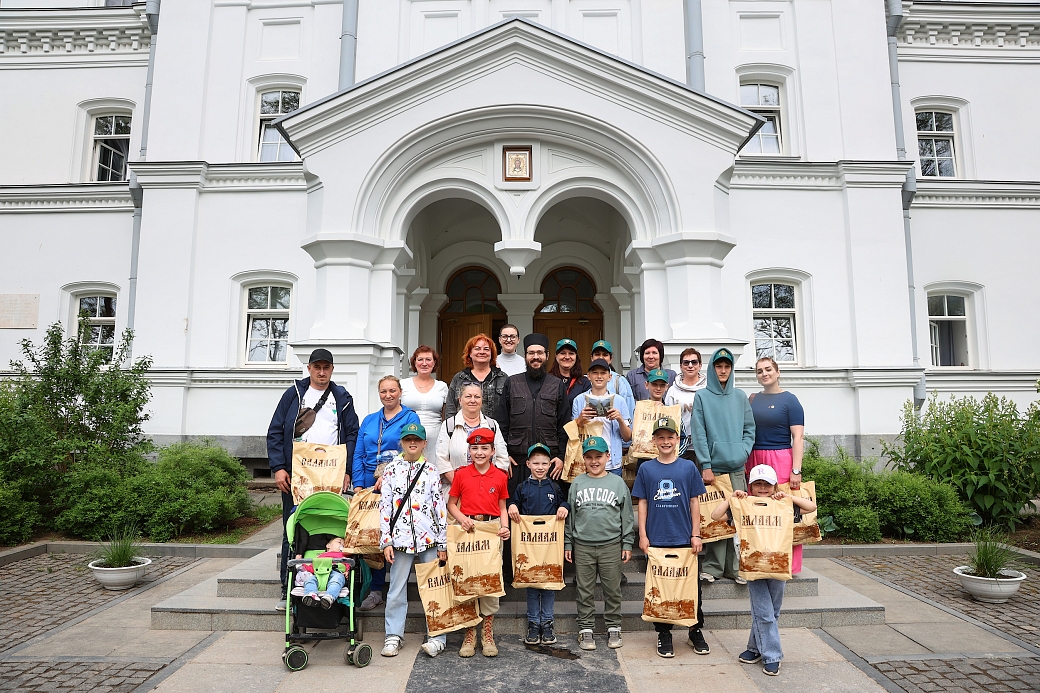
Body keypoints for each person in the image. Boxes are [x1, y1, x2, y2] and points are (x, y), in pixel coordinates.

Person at [267, 348, 359, 611]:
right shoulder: (294, 394)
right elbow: (275, 430)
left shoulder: (342, 398)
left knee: (330, 525)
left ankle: (332, 586)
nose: (321, 372)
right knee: (293, 527)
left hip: (331, 472)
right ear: (308, 369)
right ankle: (288, 589)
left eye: (326, 367)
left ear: (332, 369)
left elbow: (352, 434)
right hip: (298, 473)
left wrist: (347, 470)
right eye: (317, 367)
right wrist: (278, 467)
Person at [711, 464, 816, 676]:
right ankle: (772, 655)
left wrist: (787, 496)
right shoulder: (744, 506)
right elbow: (715, 515)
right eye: (757, 484)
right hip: (754, 566)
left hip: (778, 565)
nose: (762, 488)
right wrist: (732, 499)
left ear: (775, 486)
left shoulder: (783, 505)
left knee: (770, 612)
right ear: (750, 487)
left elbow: (811, 507)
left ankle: (754, 648)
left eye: (767, 484)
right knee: (765, 613)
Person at [631, 416, 709, 658]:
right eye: (661, 437)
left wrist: (696, 534)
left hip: (684, 538)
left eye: (670, 437)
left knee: (692, 588)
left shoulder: (688, 467)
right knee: (660, 588)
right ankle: (664, 633)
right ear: (654, 440)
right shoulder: (646, 469)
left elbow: (694, 502)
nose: (665, 441)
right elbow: (642, 503)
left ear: (678, 439)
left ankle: (694, 629)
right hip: (657, 539)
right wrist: (643, 535)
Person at [378, 423, 449, 659]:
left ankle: (437, 636)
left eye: (417, 440)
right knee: (396, 589)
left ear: (424, 443)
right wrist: (386, 540)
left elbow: (439, 507)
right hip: (400, 539)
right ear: (401, 442)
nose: (412, 443)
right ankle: (393, 635)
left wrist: (442, 542)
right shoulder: (391, 469)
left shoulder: (430, 470)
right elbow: (385, 506)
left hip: (428, 537)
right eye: (408, 439)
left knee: (433, 587)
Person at [352, 375, 421, 611]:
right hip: (369, 484)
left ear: (400, 392)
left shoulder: (410, 417)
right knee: (370, 535)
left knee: (390, 534)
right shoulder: (370, 420)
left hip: (398, 483)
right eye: (383, 391)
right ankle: (372, 589)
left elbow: (411, 449)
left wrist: (389, 474)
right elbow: (359, 453)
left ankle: (392, 588)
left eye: (392, 390)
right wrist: (358, 485)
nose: (388, 395)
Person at [565, 436, 635, 652]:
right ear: (584, 459)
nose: (594, 461)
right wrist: (568, 543)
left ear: (608, 456)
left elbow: (627, 516)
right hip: (583, 545)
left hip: (611, 545)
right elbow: (571, 517)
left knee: (612, 589)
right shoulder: (577, 483)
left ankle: (614, 626)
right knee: (584, 590)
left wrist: (627, 543)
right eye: (589, 457)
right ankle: (586, 628)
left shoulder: (617, 483)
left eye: (598, 457)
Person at [691, 348, 755, 584]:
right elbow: (699, 432)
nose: (723, 370)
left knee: (736, 517)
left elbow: (749, 429)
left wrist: (743, 451)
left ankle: (735, 567)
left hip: (736, 467)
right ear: (712, 368)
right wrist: (706, 465)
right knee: (715, 519)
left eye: (727, 366)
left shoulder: (740, 396)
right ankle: (713, 567)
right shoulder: (702, 397)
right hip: (714, 469)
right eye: (719, 366)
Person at [447, 428, 511, 658]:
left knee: (490, 580)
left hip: (491, 530)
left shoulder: (500, 476)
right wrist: (461, 519)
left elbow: (502, 507)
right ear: (469, 451)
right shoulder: (461, 475)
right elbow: (451, 504)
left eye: (485, 448)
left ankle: (487, 633)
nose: (480, 452)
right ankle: (470, 633)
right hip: (468, 530)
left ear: (493, 451)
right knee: (468, 579)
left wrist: (505, 527)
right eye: (475, 448)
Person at [746, 357, 806, 575]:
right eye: (759, 371)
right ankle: (760, 559)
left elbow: (798, 437)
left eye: (768, 369)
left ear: (778, 372)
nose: (764, 373)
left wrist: (796, 470)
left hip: (780, 457)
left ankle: (789, 564)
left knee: (783, 508)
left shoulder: (790, 400)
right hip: (754, 457)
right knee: (758, 509)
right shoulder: (752, 399)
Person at [507, 443, 570, 646]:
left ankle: (547, 623)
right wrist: (512, 505)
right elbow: (513, 502)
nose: (540, 467)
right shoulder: (522, 487)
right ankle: (534, 623)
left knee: (548, 582)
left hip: (549, 545)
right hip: (529, 545)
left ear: (550, 464)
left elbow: (564, 502)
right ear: (528, 464)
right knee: (532, 583)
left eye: (544, 463)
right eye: (536, 463)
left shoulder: (555, 487)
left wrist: (564, 507)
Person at [495, 333, 569, 497]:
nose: (536, 357)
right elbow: (502, 423)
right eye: (531, 353)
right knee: (515, 507)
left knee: (549, 507)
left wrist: (561, 456)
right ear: (525, 356)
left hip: (549, 462)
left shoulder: (556, 385)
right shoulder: (512, 383)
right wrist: (504, 455)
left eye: (540, 353)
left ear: (547, 355)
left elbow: (564, 425)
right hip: (517, 462)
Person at [435, 382, 509, 493]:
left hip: (488, 492)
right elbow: (441, 460)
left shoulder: (492, 425)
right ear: (460, 400)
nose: (473, 400)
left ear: (482, 400)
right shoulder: (448, 425)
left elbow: (502, 458)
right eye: (468, 396)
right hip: (457, 491)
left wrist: (490, 484)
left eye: (477, 397)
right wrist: (462, 486)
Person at [572, 358, 632, 476]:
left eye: (603, 373)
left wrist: (620, 420)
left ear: (609, 377)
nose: (599, 376)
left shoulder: (619, 400)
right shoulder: (579, 400)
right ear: (588, 376)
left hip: (612, 464)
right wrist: (580, 419)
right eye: (595, 373)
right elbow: (572, 435)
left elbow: (627, 437)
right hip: (586, 463)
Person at [444, 333, 508, 420]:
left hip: (496, 427)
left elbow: (509, 408)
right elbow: (450, 409)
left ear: (491, 354)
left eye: (486, 349)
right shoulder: (459, 378)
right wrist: (451, 427)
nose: (482, 352)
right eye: (477, 348)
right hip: (463, 427)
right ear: (470, 353)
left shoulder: (502, 378)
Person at [400, 346, 449, 455]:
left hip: (436, 439)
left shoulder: (442, 386)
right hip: (409, 436)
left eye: (428, 359)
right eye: (420, 359)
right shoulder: (403, 384)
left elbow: (445, 415)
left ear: (434, 363)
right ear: (414, 362)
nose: (424, 363)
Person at [665, 348, 707, 462]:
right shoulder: (673, 390)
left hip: (704, 446)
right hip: (680, 446)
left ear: (700, 365)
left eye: (694, 362)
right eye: (686, 362)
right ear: (681, 366)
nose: (690, 366)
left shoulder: (708, 389)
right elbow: (669, 419)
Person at [290, 535, 349, 609]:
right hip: (319, 574)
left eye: (344, 544)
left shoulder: (343, 555)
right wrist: (300, 563)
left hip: (336, 572)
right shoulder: (320, 556)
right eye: (339, 542)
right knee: (310, 580)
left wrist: (347, 571)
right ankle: (311, 595)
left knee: (336, 581)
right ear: (328, 545)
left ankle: (329, 597)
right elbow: (311, 567)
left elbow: (348, 564)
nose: (342, 545)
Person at [590, 340, 636, 421]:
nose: (601, 357)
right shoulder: (585, 380)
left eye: (605, 355)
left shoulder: (620, 381)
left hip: (615, 427)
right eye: (597, 354)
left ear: (611, 359)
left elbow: (629, 409)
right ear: (591, 358)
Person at [550, 338, 591, 419]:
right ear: (556, 356)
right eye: (563, 353)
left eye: (571, 353)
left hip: (576, 425)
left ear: (576, 356)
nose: (567, 357)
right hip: (552, 425)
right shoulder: (548, 380)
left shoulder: (584, 383)